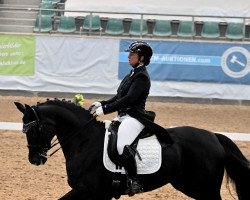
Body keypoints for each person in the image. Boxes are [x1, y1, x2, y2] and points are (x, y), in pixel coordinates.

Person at [90, 41, 173, 196]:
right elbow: (119, 96)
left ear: (141, 58)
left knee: (122, 145)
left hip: (135, 118)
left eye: (132, 54)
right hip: (123, 117)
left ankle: (134, 180)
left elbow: (129, 99)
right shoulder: (132, 74)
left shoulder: (142, 76)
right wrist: (102, 103)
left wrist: (106, 110)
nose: (128, 57)